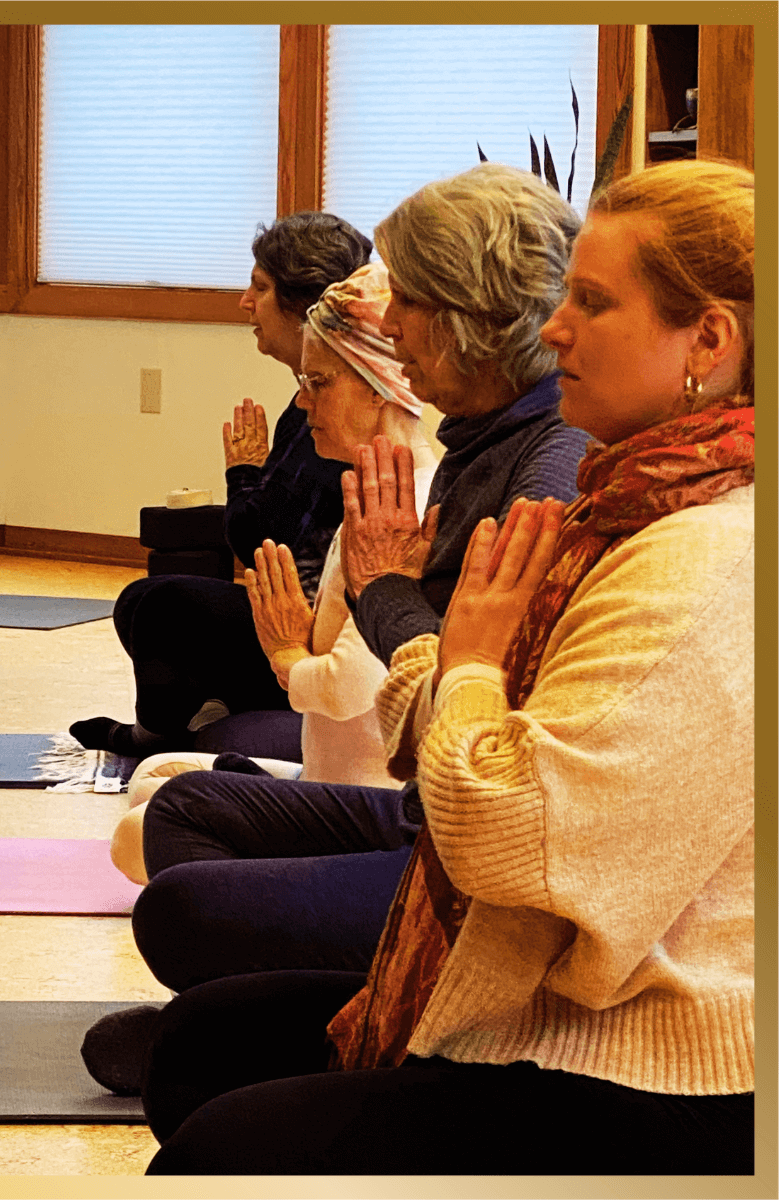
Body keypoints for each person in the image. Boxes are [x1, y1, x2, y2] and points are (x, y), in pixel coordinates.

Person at [142, 157, 755, 1175]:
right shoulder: (620, 494)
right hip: (506, 911)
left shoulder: (689, 550)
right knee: (200, 1049)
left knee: (218, 1143)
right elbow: (470, 744)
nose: (558, 328)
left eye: (593, 303)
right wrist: (433, 647)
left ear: (709, 341)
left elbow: (497, 829)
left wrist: (412, 627)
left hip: (649, 1046)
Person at [130, 165, 591, 994]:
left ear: (468, 317)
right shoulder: (478, 442)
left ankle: (333, 1012)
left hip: (474, 853)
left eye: (406, 301)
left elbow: (474, 726)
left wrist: (365, 605)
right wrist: (366, 603)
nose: (394, 324)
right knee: (180, 812)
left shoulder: (545, 471)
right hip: (424, 804)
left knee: (182, 917)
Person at [109, 263, 438, 886]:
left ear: (379, 387)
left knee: (137, 834)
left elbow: (349, 689)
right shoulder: (373, 491)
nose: (302, 400)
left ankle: (306, 873)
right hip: (325, 778)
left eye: (319, 382)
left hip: (367, 808)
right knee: (152, 779)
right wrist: (303, 631)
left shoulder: (408, 506)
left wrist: (287, 655)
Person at [69, 212, 372, 761]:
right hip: (290, 617)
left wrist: (243, 473)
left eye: (260, 287)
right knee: (139, 601)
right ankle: (200, 713)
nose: (244, 302)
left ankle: (157, 735)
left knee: (164, 607)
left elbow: (261, 541)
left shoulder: (341, 414)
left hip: (314, 637)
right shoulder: (306, 403)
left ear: (304, 306)